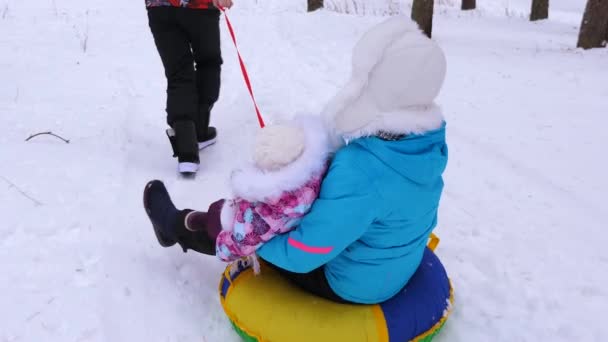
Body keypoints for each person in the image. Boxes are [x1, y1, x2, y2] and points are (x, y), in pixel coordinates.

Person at [143, 16, 448, 304]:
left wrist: (255, 237)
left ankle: (174, 225)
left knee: (252, 217)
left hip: (349, 283)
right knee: (300, 205)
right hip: (389, 265)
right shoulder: (428, 145)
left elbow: (306, 253)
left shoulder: (361, 170)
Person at [144, 115, 332, 271]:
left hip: (251, 232)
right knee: (216, 214)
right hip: (260, 219)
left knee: (215, 228)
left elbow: (240, 242)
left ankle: (172, 225)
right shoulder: (311, 171)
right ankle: (189, 222)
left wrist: (222, 242)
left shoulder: (271, 212)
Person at [145, 0, 235, 175]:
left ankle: (187, 151)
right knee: (208, 63)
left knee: (178, 73)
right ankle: (199, 132)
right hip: (199, 8)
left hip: (159, 8)